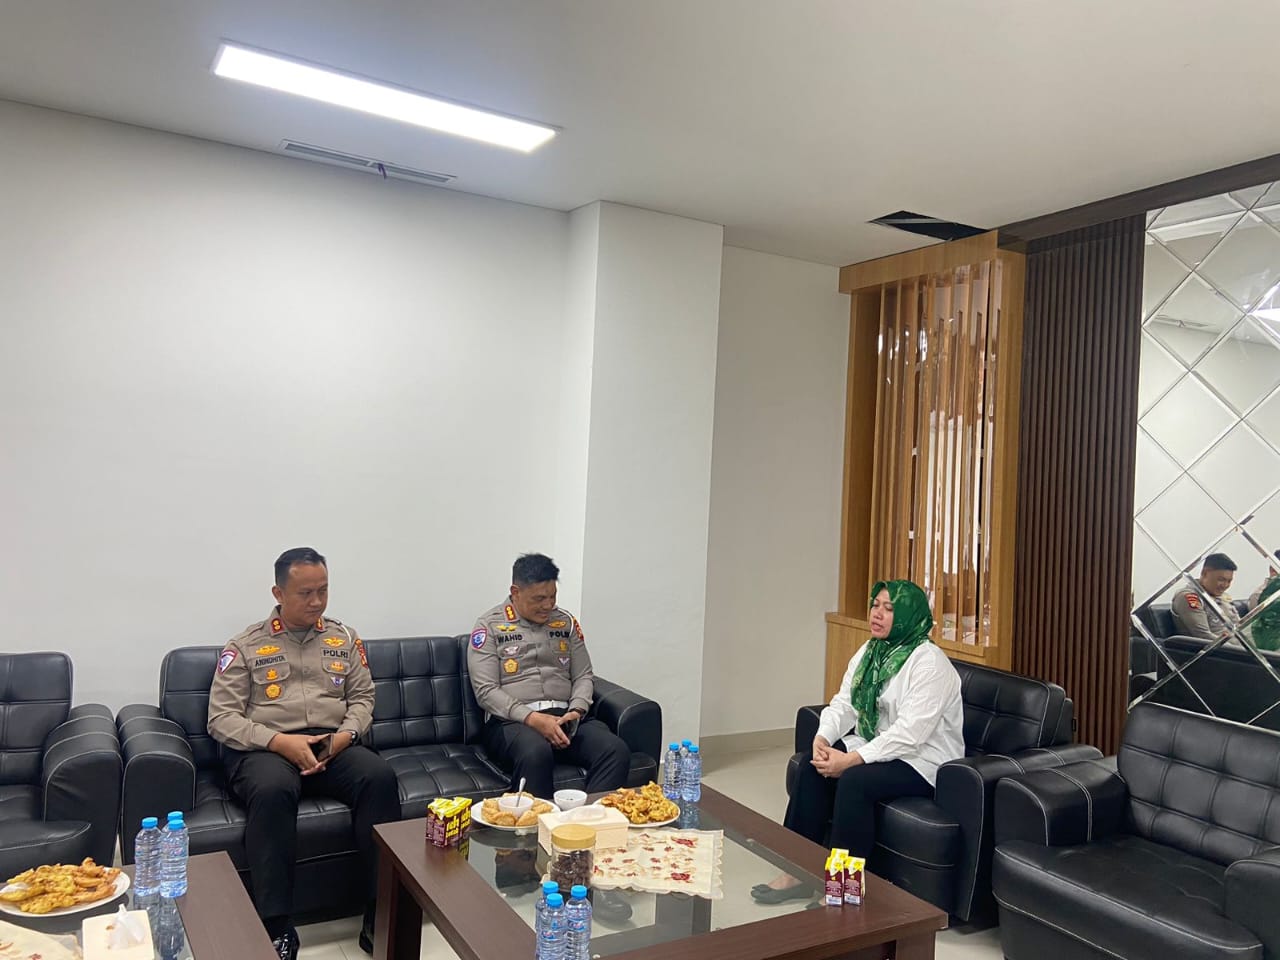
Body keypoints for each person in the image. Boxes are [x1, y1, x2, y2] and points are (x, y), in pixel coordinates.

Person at [208, 548, 399, 960]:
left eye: (323, 591)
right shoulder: (245, 645)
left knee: (379, 777)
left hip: (333, 743)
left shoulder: (344, 639)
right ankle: (276, 926)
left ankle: (380, 911)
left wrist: (346, 735)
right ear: (278, 593)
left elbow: (363, 698)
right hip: (267, 748)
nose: (317, 602)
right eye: (305, 593)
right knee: (273, 790)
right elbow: (221, 719)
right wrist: (279, 742)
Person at [753, 579, 963, 904]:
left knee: (854, 781)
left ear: (909, 616)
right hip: (879, 745)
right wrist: (823, 737)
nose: (877, 614)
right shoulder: (871, 651)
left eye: (889, 609)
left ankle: (843, 887)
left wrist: (851, 759)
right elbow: (845, 703)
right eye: (875, 605)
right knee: (812, 766)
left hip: (923, 760)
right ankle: (795, 870)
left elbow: (910, 733)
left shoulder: (930, 664)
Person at [468, 553, 630, 803]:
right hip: (512, 723)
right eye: (539, 598)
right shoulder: (489, 626)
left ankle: (586, 819)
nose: (548, 605)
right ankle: (538, 825)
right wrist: (533, 719)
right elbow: (486, 691)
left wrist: (577, 709)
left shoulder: (565, 622)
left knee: (615, 750)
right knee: (536, 752)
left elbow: (583, 675)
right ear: (515, 592)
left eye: (553, 596)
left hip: (566, 717)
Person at [1171, 553, 1241, 642]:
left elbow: (1239, 626)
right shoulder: (1189, 597)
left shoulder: (1222, 597)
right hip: (1221, 649)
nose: (1225, 585)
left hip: (1242, 644)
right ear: (1204, 573)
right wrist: (1241, 649)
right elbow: (1203, 635)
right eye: (1221, 580)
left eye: (1229, 581)